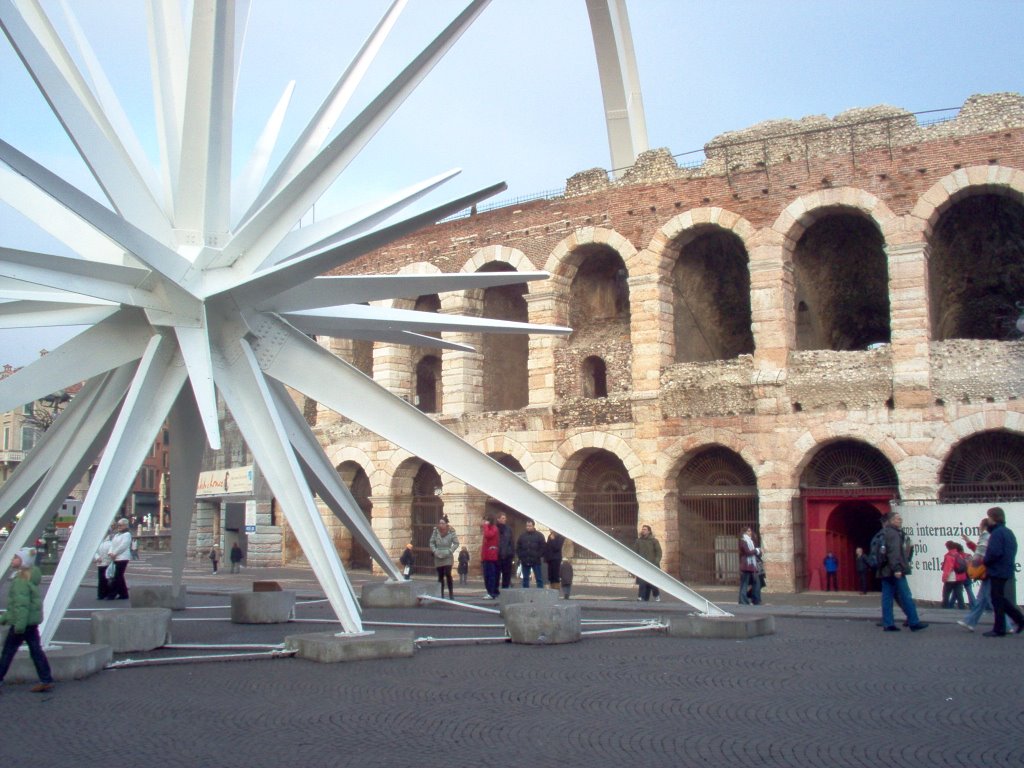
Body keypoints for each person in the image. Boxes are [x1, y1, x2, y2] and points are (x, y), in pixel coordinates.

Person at [0, 548, 54, 693]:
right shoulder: (31, 577)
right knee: (36, 651)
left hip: (21, 624)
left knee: (7, 652)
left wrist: (18, 625)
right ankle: (46, 678)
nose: (12, 560)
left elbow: (20, 605)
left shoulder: (20, 581)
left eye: (15, 557)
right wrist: (5, 618)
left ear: (22, 562)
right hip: (31, 622)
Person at [877, 511, 927, 632]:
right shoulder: (894, 534)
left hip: (884, 570)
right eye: (898, 519)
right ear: (891, 521)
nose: (900, 520)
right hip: (895, 570)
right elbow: (894, 553)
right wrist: (897, 569)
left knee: (887, 598)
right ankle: (914, 621)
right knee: (906, 596)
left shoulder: (884, 532)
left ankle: (888, 623)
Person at [957, 518, 1007, 633]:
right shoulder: (992, 535)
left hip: (987, 571)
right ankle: (970, 621)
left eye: (980, 525)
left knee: (991, 599)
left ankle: (1008, 623)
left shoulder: (986, 535)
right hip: (988, 570)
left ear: (983, 526)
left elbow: (980, 552)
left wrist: (973, 564)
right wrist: (968, 542)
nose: (979, 527)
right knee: (982, 599)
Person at [981, 506, 1024, 637]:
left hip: (997, 569)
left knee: (997, 599)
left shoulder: (997, 533)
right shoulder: (1008, 532)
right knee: (999, 598)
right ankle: (1018, 620)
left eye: (989, 517)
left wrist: (986, 561)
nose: (987, 519)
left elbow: (994, 552)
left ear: (993, 518)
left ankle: (1000, 628)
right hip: (1006, 568)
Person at [429, 517, 459, 600]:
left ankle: (451, 593)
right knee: (440, 576)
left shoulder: (451, 532)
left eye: (443, 523)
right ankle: (441, 594)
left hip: (447, 555)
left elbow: (456, 543)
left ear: (446, 524)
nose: (441, 525)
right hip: (438, 555)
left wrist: (450, 551)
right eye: (440, 523)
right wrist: (434, 551)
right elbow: (431, 542)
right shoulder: (435, 531)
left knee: (448, 574)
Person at [634, 524, 663, 602]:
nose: (643, 530)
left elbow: (659, 552)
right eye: (642, 529)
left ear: (649, 531)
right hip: (642, 565)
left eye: (645, 529)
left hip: (652, 564)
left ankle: (656, 595)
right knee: (642, 582)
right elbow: (635, 552)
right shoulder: (638, 541)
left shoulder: (654, 541)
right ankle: (641, 597)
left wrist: (656, 561)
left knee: (652, 582)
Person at [106, 517, 132, 600]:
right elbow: (112, 545)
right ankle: (124, 593)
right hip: (116, 557)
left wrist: (115, 553)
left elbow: (123, 546)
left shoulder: (127, 535)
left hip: (123, 557)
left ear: (125, 526)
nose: (119, 527)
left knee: (118, 576)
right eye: (118, 525)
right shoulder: (117, 535)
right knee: (119, 576)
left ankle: (113, 594)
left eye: (121, 525)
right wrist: (110, 552)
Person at [516, 520, 546, 588]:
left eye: (530, 526)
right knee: (525, 579)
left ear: (533, 526)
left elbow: (543, 547)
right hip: (525, 560)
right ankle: (526, 594)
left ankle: (540, 593)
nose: (528, 527)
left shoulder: (539, 535)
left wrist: (538, 555)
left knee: (539, 579)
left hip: (535, 560)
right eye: (527, 526)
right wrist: (521, 556)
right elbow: (518, 547)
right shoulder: (522, 536)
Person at [738, 526, 761, 605]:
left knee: (756, 582)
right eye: (748, 531)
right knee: (744, 584)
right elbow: (748, 552)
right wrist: (756, 550)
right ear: (744, 532)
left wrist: (757, 550)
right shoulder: (743, 541)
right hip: (746, 565)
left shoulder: (750, 541)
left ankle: (755, 599)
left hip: (752, 566)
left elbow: (753, 550)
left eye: (750, 531)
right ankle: (743, 600)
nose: (750, 532)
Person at [940, 540, 966, 609]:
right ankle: (962, 607)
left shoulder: (949, 555)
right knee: (959, 594)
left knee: (946, 594)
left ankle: (945, 608)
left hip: (951, 578)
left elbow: (948, 568)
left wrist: (944, 578)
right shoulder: (958, 554)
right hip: (959, 577)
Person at [480, 515, 500, 599]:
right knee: (487, 575)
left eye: (485, 520)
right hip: (486, 556)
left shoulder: (493, 528)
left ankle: (491, 592)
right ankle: (490, 591)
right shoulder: (489, 528)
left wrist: (485, 526)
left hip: (491, 556)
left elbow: (488, 535)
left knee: (490, 575)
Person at [496, 512, 515, 592]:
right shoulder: (495, 528)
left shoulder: (508, 529)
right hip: (497, 555)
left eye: (505, 518)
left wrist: (511, 553)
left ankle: (505, 590)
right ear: (498, 519)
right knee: (496, 574)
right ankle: (495, 590)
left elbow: (511, 542)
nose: (504, 520)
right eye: (503, 518)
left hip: (507, 555)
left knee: (506, 574)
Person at [93, 527, 114, 600]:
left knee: (107, 579)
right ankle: (101, 594)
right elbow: (94, 551)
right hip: (101, 563)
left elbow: (112, 552)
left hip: (108, 563)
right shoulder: (98, 542)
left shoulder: (111, 542)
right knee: (101, 579)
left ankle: (107, 593)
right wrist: (97, 557)